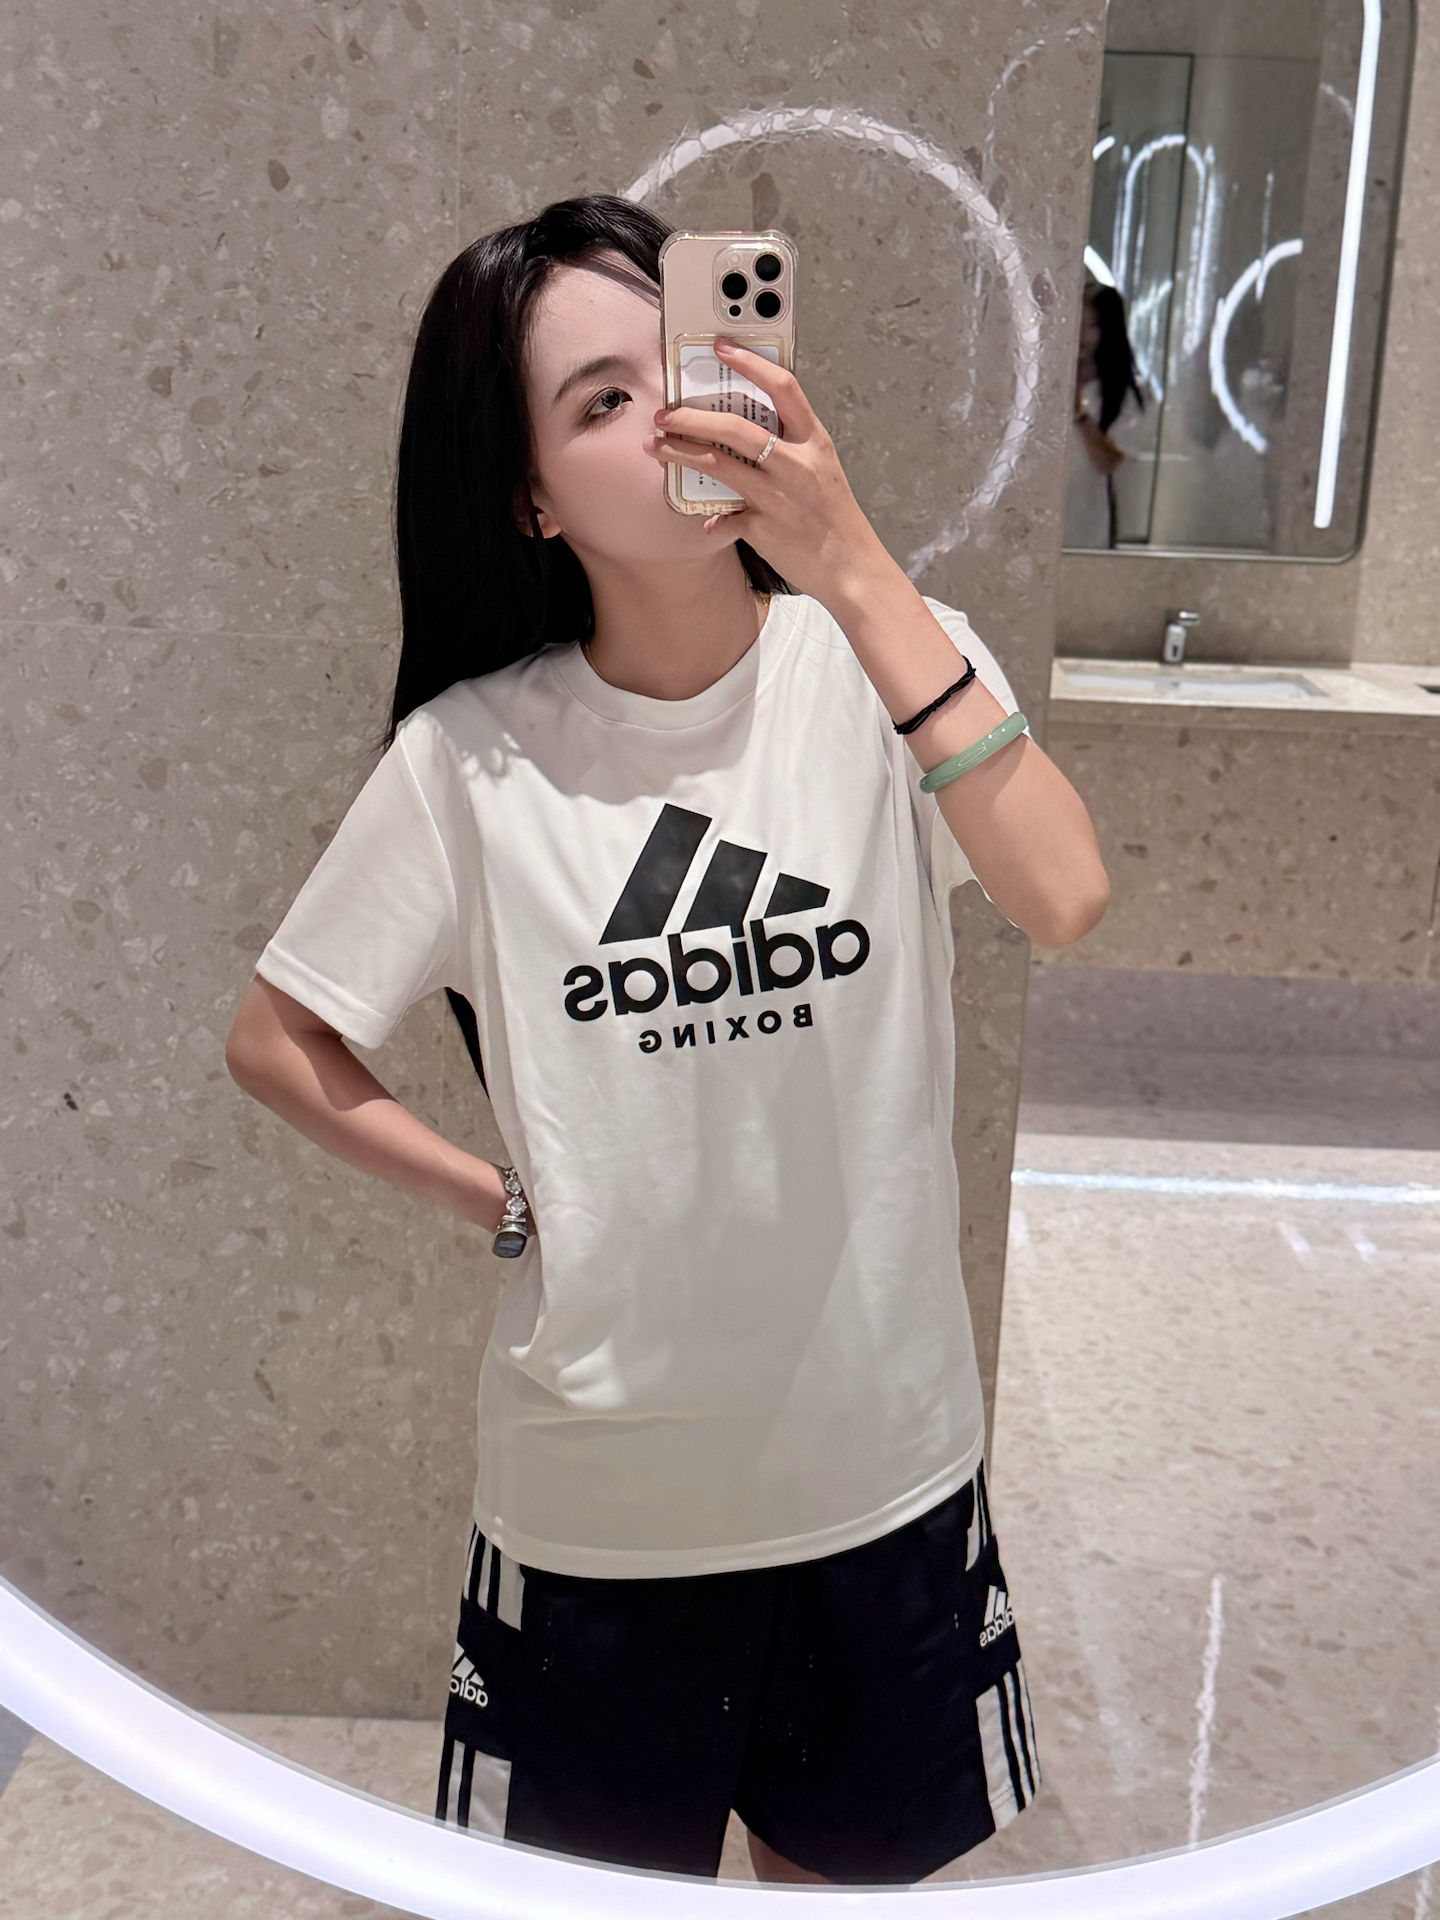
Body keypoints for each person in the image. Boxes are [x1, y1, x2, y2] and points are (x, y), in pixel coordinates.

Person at [225, 194, 1109, 1887]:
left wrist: (849, 562)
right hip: (600, 1520)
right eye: (601, 401)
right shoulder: (470, 761)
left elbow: (1062, 893)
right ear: (530, 498)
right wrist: (496, 1196)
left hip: (881, 1474)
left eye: (684, 362)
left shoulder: (887, 662)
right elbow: (280, 1039)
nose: (674, 419)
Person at [1064, 279, 1147, 549]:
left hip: (1086, 526)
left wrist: (1079, 415)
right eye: (1077, 322)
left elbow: (1107, 462)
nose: (1081, 336)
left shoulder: (1121, 396)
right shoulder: (1040, 381)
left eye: (1091, 326)